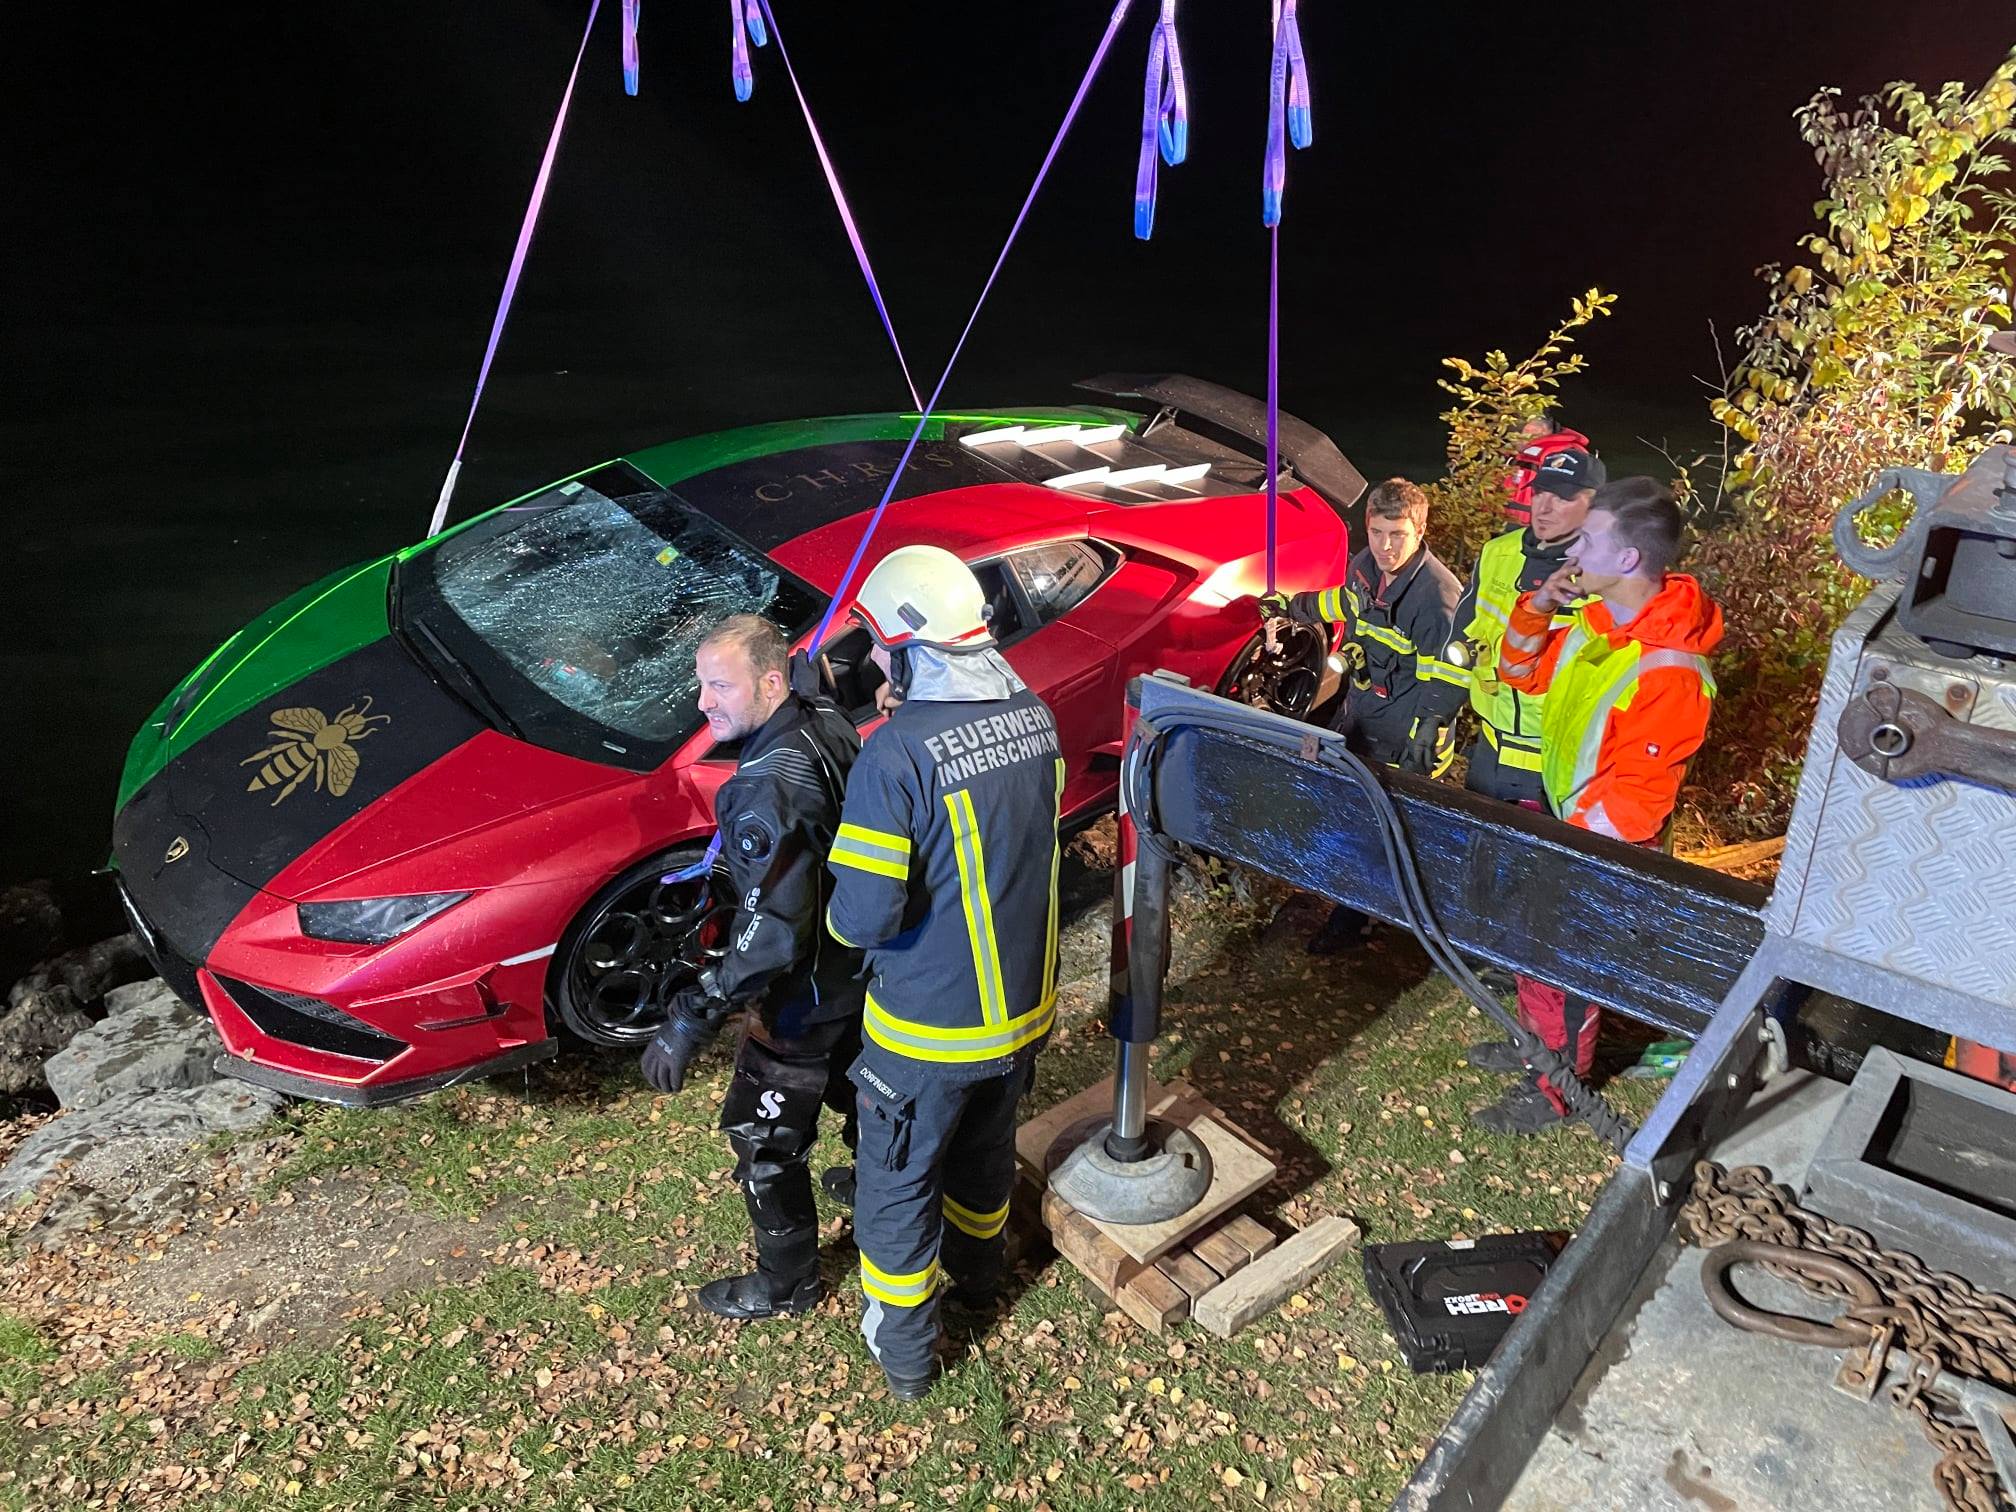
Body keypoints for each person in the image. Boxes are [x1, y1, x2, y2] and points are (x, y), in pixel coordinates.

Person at [824, 544, 1065, 1401]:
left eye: (880, 644)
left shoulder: (894, 759)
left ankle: (907, 1356)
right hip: (1021, 1013)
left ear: (907, 645)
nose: (873, 660)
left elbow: (863, 919)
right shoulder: (1034, 717)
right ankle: (979, 1273)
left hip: (927, 1028)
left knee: (896, 1183)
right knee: (984, 1152)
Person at [1471, 478, 1723, 1135]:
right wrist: (1538, 608)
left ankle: (1556, 1093)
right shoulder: (1595, 623)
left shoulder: (1670, 671)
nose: (1573, 547)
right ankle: (1536, 1055)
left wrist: (1566, 853)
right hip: (1565, 825)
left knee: (1565, 970)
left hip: (1600, 847)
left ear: (1629, 560)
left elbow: (1636, 802)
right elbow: (1521, 674)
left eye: (1589, 539)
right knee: (1534, 952)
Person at [638, 614, 864, 1318]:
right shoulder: (825, 719)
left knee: (764, 1141)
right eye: (701, 684)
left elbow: (771, 934)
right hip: (864, 968)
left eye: (718, 685)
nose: (703, 703)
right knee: (865, 1097)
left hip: (806, 998)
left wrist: (692, 1013)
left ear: (770, 682)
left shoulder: (762, 788)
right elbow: (818, 689)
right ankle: (879, 1187)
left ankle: (788, 1283)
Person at [1261, 478, 1464, 952]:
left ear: (1419, 530)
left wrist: (1421, 748)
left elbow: (1446, 685)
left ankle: (1358, 922)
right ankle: (1348, 895)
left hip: (1408, 741)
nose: (1386, 547)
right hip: (1362, 718)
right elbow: (1343, 603)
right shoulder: (1365, 568)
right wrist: (1293, 607)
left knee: (1387, 836)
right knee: (1346, 811)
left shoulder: (1437, 599)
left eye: (1398, 535)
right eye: (1377, 533)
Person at [1501, 415, 1594, 529]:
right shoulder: (1517, 453)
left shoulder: (1564, 457)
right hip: (1502, 524)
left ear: (1541, 430)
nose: (1512, 436)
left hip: (1531, 530)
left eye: (1518, 430)